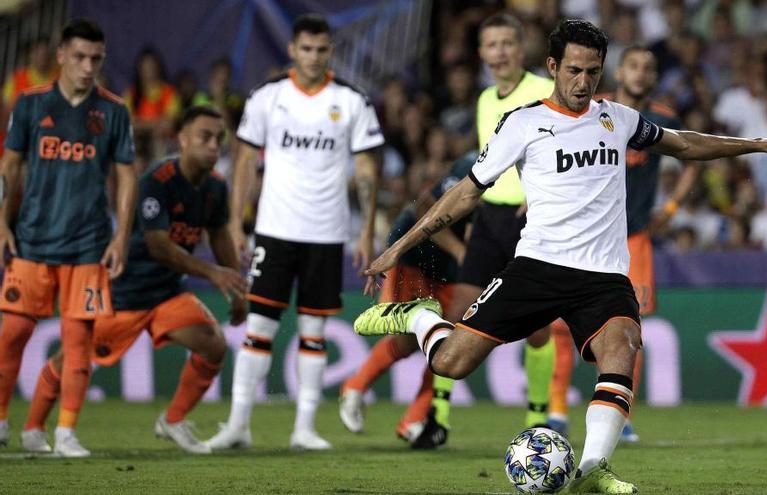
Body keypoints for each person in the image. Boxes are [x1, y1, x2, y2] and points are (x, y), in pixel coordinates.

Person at [354, 19, 767, 493]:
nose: (583, 82)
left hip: (602, 275)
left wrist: (758, 146)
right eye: (574, 70)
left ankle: (593, 469)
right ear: (553, 66)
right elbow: (465, 194)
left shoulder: (618, 118)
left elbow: (682, 143)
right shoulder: (523, 123)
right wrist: (399, 246)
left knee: (623, 347)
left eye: (593, 72)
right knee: (451, 362)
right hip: (537, 266)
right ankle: (419, 317)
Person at [19, 105, 247, 455]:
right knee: (73, 359)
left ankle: (173, 420)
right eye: (205, 137)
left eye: (219, 139)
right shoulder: (157, 181)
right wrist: (212, 272)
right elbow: (159, 247)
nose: (214, 145)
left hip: (167, 295)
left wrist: (236, 286)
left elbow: (218, 235)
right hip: (124, 291)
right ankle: (33, 427)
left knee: (213, 343)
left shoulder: (216, 187)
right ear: (183, 140)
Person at [208, 13, 383, 451]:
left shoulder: (352, 101)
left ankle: (304, 428)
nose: (313, 57)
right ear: (292, 50)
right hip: (276, 230)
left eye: (321, 50)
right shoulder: (268, 98)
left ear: (331, 52)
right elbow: (245, 161)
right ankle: (237, 425)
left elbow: (366, 169)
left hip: (327, 232)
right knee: (260, 327)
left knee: (314, 331)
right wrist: (234, 221)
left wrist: (364, 231)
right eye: (305, 49)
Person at [0, 18, 137, 458]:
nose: (87, 66)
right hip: (33, 240)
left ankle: (64, 433)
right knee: (12, 335)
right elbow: (10, 167)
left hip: (87, 245)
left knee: (78, 344)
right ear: (60, 56)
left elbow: (127, 176)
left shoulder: (113, 111)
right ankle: (2, 421)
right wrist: (1, 223)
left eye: (95, 59)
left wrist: (121, 237)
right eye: (79, 57)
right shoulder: (29, 104)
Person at [547, 45, 699, 441]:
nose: (641, 73)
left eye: (648, 68)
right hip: (588, 233)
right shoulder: (596, 109)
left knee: (631, 327)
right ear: (621, 71)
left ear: (653, 77)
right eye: (633, 65)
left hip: (634, 239)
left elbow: (691, 160)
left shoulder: (663, 118)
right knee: (562, 323)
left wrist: (671, 205)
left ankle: (622, 416)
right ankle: (557, 408)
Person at [428, 12, 558, 442]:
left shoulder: (545, 91)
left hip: (532, 220)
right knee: (458, 312)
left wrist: (538, 190)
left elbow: (568, 143)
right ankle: (438, 417)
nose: (499, 52)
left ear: (521, 50)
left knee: (538, 330)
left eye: (507, 43)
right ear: (482, 53)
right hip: (489, 219)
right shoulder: (485, 99)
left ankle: (537, 418)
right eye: (491, 45)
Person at [338, 151, 473, 448]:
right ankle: (355, 387)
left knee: (450, 342)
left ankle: (415, 419)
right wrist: (462, 251)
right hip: (417, 255)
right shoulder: (475, 161)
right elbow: (425, 205)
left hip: (454, 269)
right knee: (411, 338)